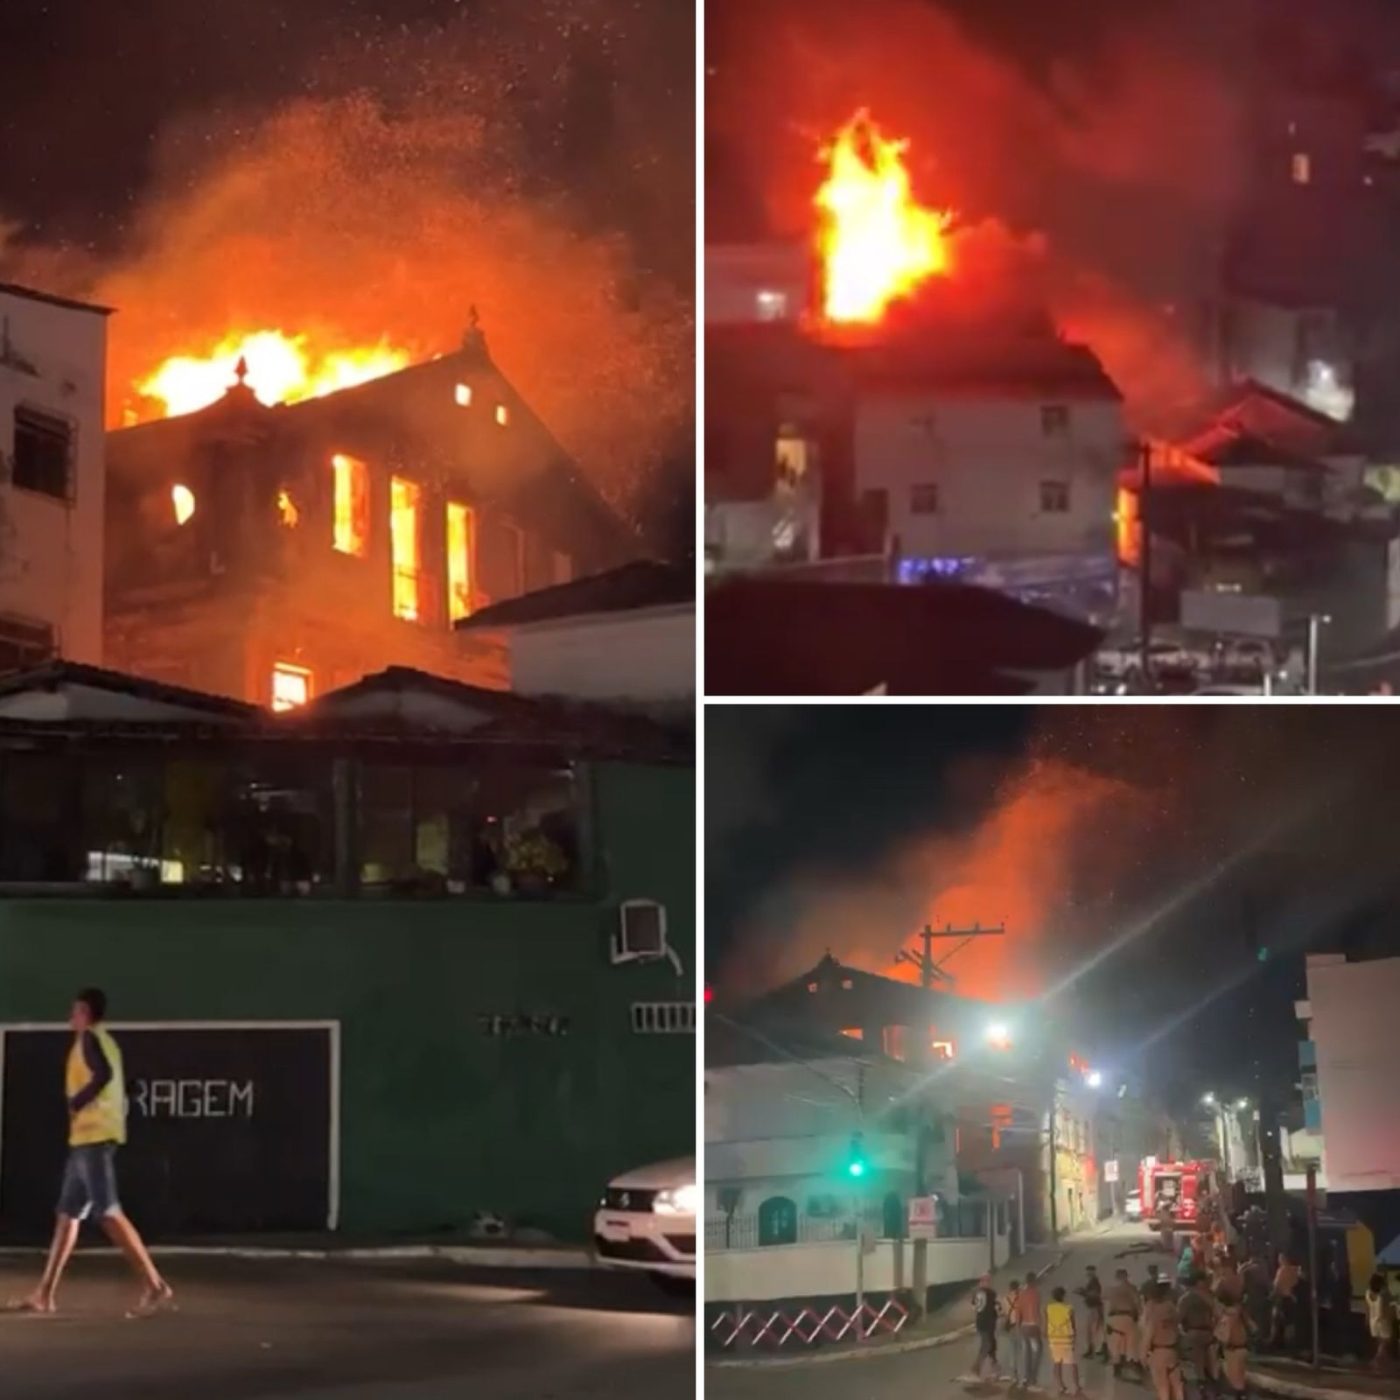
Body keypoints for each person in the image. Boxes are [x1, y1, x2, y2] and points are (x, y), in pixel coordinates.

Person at [5, 988, 173, 1317]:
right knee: (67, 1217)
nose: (71, 1015)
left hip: (94, 1139)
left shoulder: (90, 1040)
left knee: (108, 1213)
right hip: (85, 1141)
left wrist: (77, 1101)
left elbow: (103, 1075)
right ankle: (44, 1294)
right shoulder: (105, 1041)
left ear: (85, 1012)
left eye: (75, 1010)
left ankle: (155, 1286)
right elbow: (115, 1080)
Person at [1178, 1271, 1220, 1400]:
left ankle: (1203, 1392)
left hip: (1194, 1334)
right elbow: (1218, 1314)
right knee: (1212, 1365)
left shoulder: (1186, 1298)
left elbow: (1178, 1318)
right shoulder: (1211, 1296)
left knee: (1198, 1366)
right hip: (1210, 1333)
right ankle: (1213, 1390)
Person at [1141, 1280, 1185, 1400]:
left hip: (1158, 1351)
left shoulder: (1154, 1311)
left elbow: (1148, 1334)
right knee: (1177, 1385)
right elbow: (1179, 1329)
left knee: (1162, 1386)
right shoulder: (1172, 1309)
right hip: (1173, 1350)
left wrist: (1143, 1355)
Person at [1047, 1284, 1085, 1397]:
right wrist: (1075, 1338)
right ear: (1063, 1296)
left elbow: (1047, 1323)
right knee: (1072, 1363)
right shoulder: (1069, 1308)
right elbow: (1073, 1325)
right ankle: (1076, 1385)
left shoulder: (1048, 1308)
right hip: (1066, 1338)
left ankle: (1060, 1385)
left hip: (1053, 1338)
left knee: (1057, 1362)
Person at [1107, 1266, 1143, 1376]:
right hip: (1128, 1317)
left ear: (1116, 1277)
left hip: (1114, 1318)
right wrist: (1140, 1316)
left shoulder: (1111, 1289)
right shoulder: (1131, 1288)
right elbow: (1137, 1303)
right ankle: (1133, 1362)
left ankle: (1117, 1365)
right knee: (1132, 1342)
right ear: (1126, 1276)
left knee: (1116, 1343)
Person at [1214, 1293, 1250, 1398]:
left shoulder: (1227, 1318)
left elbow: (1224, 1336)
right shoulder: (1240, 1314)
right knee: (1241, 1378)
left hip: (1232, 1350)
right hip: (1243, 1348)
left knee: (1234, 1380)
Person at [1015, 1272, 1046, 1392]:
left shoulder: (1022, 1294)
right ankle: (1032, 1380)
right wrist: (1041, 1327)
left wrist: (1018, 1327)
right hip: (1033, 1326)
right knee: (1038, 1352)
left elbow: (1018, 1312)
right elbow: (1036, 1312)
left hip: (1023, 1327)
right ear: (1034, 1281)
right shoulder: (1035, 1294)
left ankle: (1026, 1378)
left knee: (1027, 1354)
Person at [972, 1274, 1002, 1380]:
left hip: (980, 1321)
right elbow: (997, 1306)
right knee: (987, 1345)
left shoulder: (976, 1293)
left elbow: (974, 1306)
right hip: (988, 1322)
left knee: (989, 1342)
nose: (988, 1283)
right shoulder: (991, 1293)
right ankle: (976, 1367)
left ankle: (994, 1364)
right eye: (987, 1281)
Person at [1270, 1253, 1301, 1352]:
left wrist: (1272, 1295)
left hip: (1282, 1298)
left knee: (1278, 1320)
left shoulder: (1282, 1270)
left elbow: (1277, 1285)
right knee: (1290, 1322)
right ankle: (1291, 1343)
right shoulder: (1295, 1270)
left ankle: (1279, 1342)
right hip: (1292, 1298)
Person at [1078, 1263, 1108, 1361]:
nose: (1088, 1273)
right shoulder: (1093, 1281)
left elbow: (1094, 1295)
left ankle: (1093, 1350)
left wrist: (1083, 1292)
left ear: (1093, 1272)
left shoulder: (1094, 1282)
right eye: (1087, 1271)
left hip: (1094, 1308)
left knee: (1092, 1330)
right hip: (1095, 1307)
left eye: (1090, 1271)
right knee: (1094, 1330)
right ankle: (1098, 1349)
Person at [1366, 1272, 1395, 1372]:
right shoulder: (1384, 1294)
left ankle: (1386, 1362)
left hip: (1373, 1321)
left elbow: (1368, 1309)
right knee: (1384, 1342)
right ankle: (1376, 1361)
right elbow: (1387, 1307)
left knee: (1381, 1343)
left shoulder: (1368, 1293)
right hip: (1382, 1320)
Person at [1004, 1277, 1025, 1390]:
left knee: (1013, 1351)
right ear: (1018, 1287)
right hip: (1021, 1326)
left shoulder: (1006, 1298)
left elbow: (1005, 1313)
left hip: (1011, 1327)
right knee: (1022, 1351)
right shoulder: (1022, 1298)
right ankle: (1023, 1377)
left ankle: (1014, 1376)